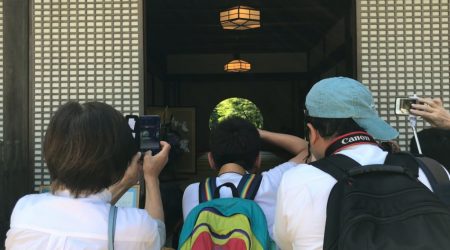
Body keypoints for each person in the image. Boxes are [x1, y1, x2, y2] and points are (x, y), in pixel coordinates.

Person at [273, 77, 450, 250]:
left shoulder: (297, 181)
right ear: (371, 125)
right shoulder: (433, 171)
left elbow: (285, 243)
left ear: (312, 132)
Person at [5, 101, 171, 250]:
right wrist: (151, 177)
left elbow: (81, 213)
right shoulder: (136, 227)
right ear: (119, 156)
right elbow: (158, 235)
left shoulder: (25, 209)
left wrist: (126, 181)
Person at [182, 116, 309, 241]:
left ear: (210, 160)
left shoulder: (193, 192)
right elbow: (307, 150)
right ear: (258, 160)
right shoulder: (271, 184)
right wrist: (258, 133)